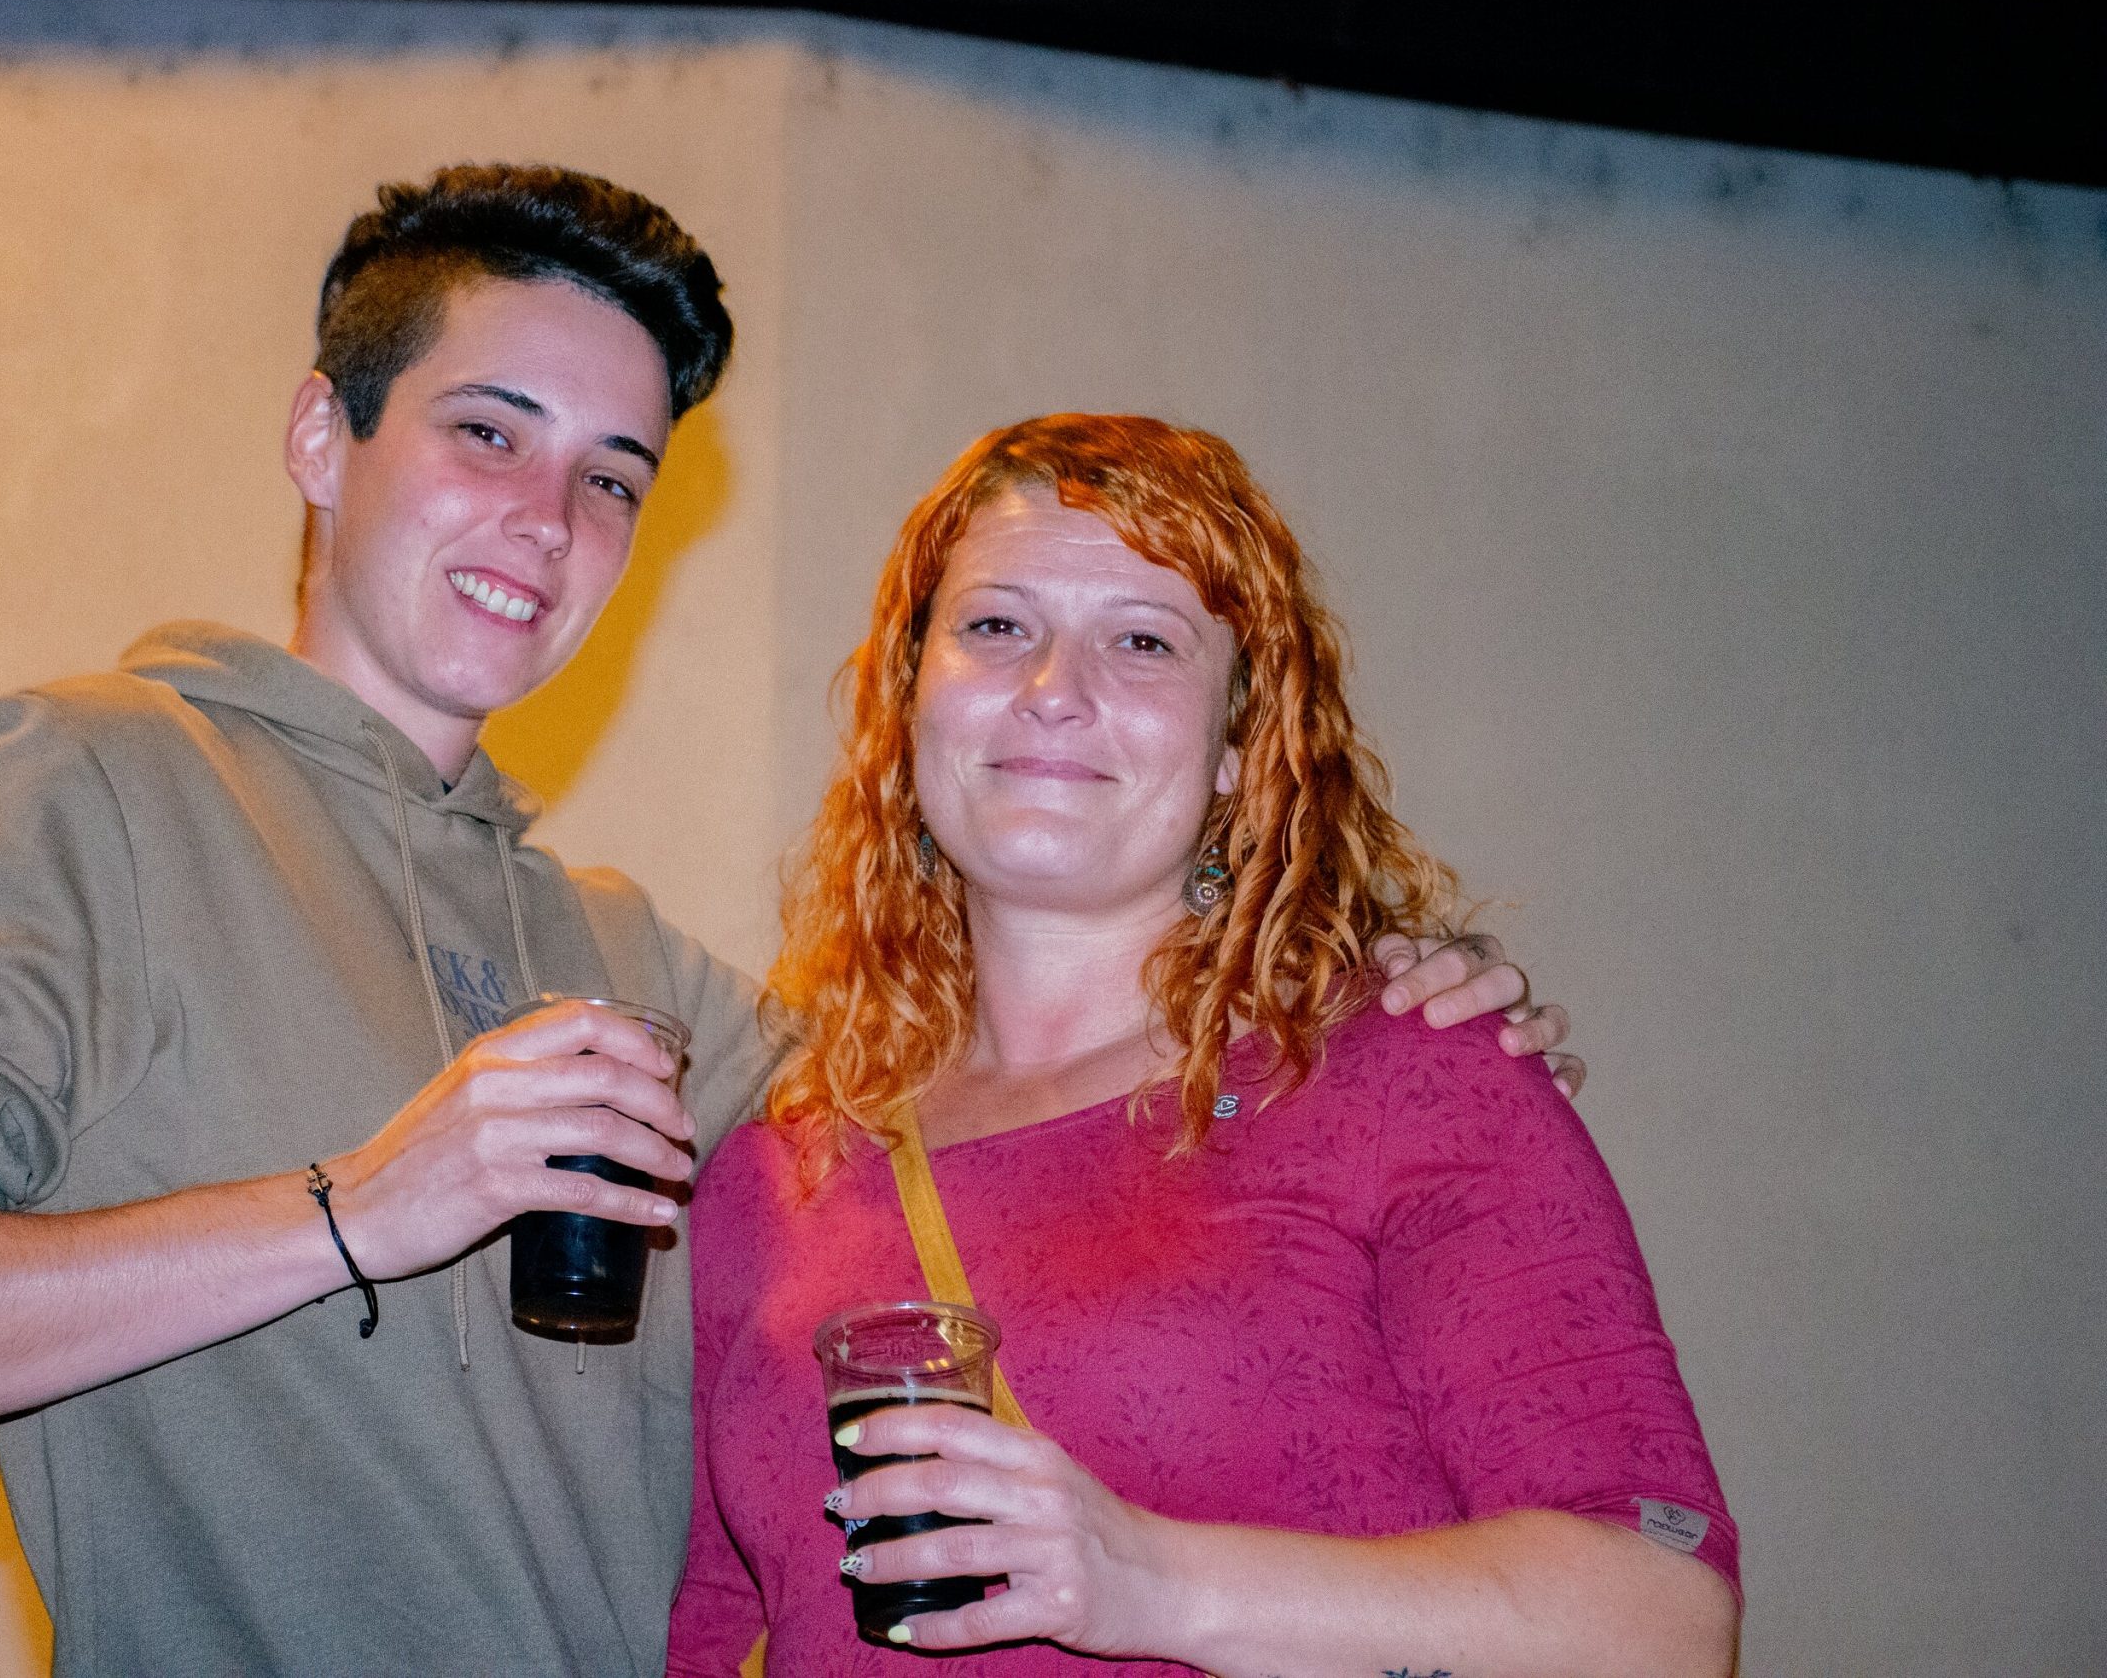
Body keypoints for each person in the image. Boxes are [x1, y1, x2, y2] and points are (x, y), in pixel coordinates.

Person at [0, 169, 1571, 1675]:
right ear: (323, 435)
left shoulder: (625, 960)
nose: (548, 517)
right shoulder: (94, 784)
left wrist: (1334, 978)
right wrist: (363, 1208)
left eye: (612, 476)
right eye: (487, 432)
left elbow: (1008, 1081)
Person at [668, 414, 1737, 1677]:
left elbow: (1660, 1621)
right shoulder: (771, 1180)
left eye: (1141, 642)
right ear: (907, 703)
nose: (1051, 688)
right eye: (996, 626)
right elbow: (705, 1637)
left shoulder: (1410, 1078)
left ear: (1239, 747)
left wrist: (1149, 1582)